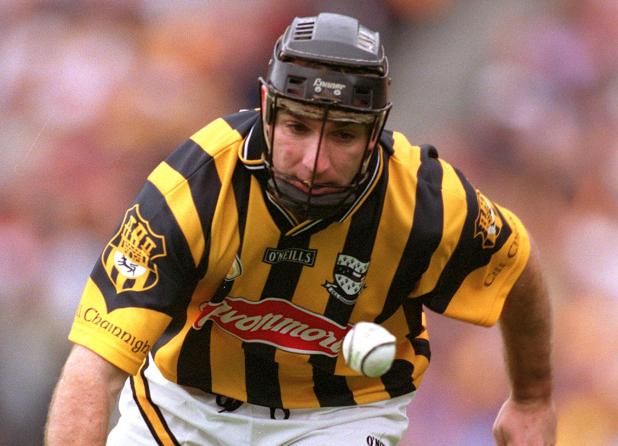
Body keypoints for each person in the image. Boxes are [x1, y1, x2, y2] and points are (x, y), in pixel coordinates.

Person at [45, 12, 556, 446]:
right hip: (183, 409)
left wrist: (532, 398)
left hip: (344, 414)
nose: (314, 162)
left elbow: (515, 267)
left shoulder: (428, 202)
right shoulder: (195, 187)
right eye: (298, 127)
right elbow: (94, 369)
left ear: (375, 134)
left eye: (343, 135)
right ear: (267, 110)